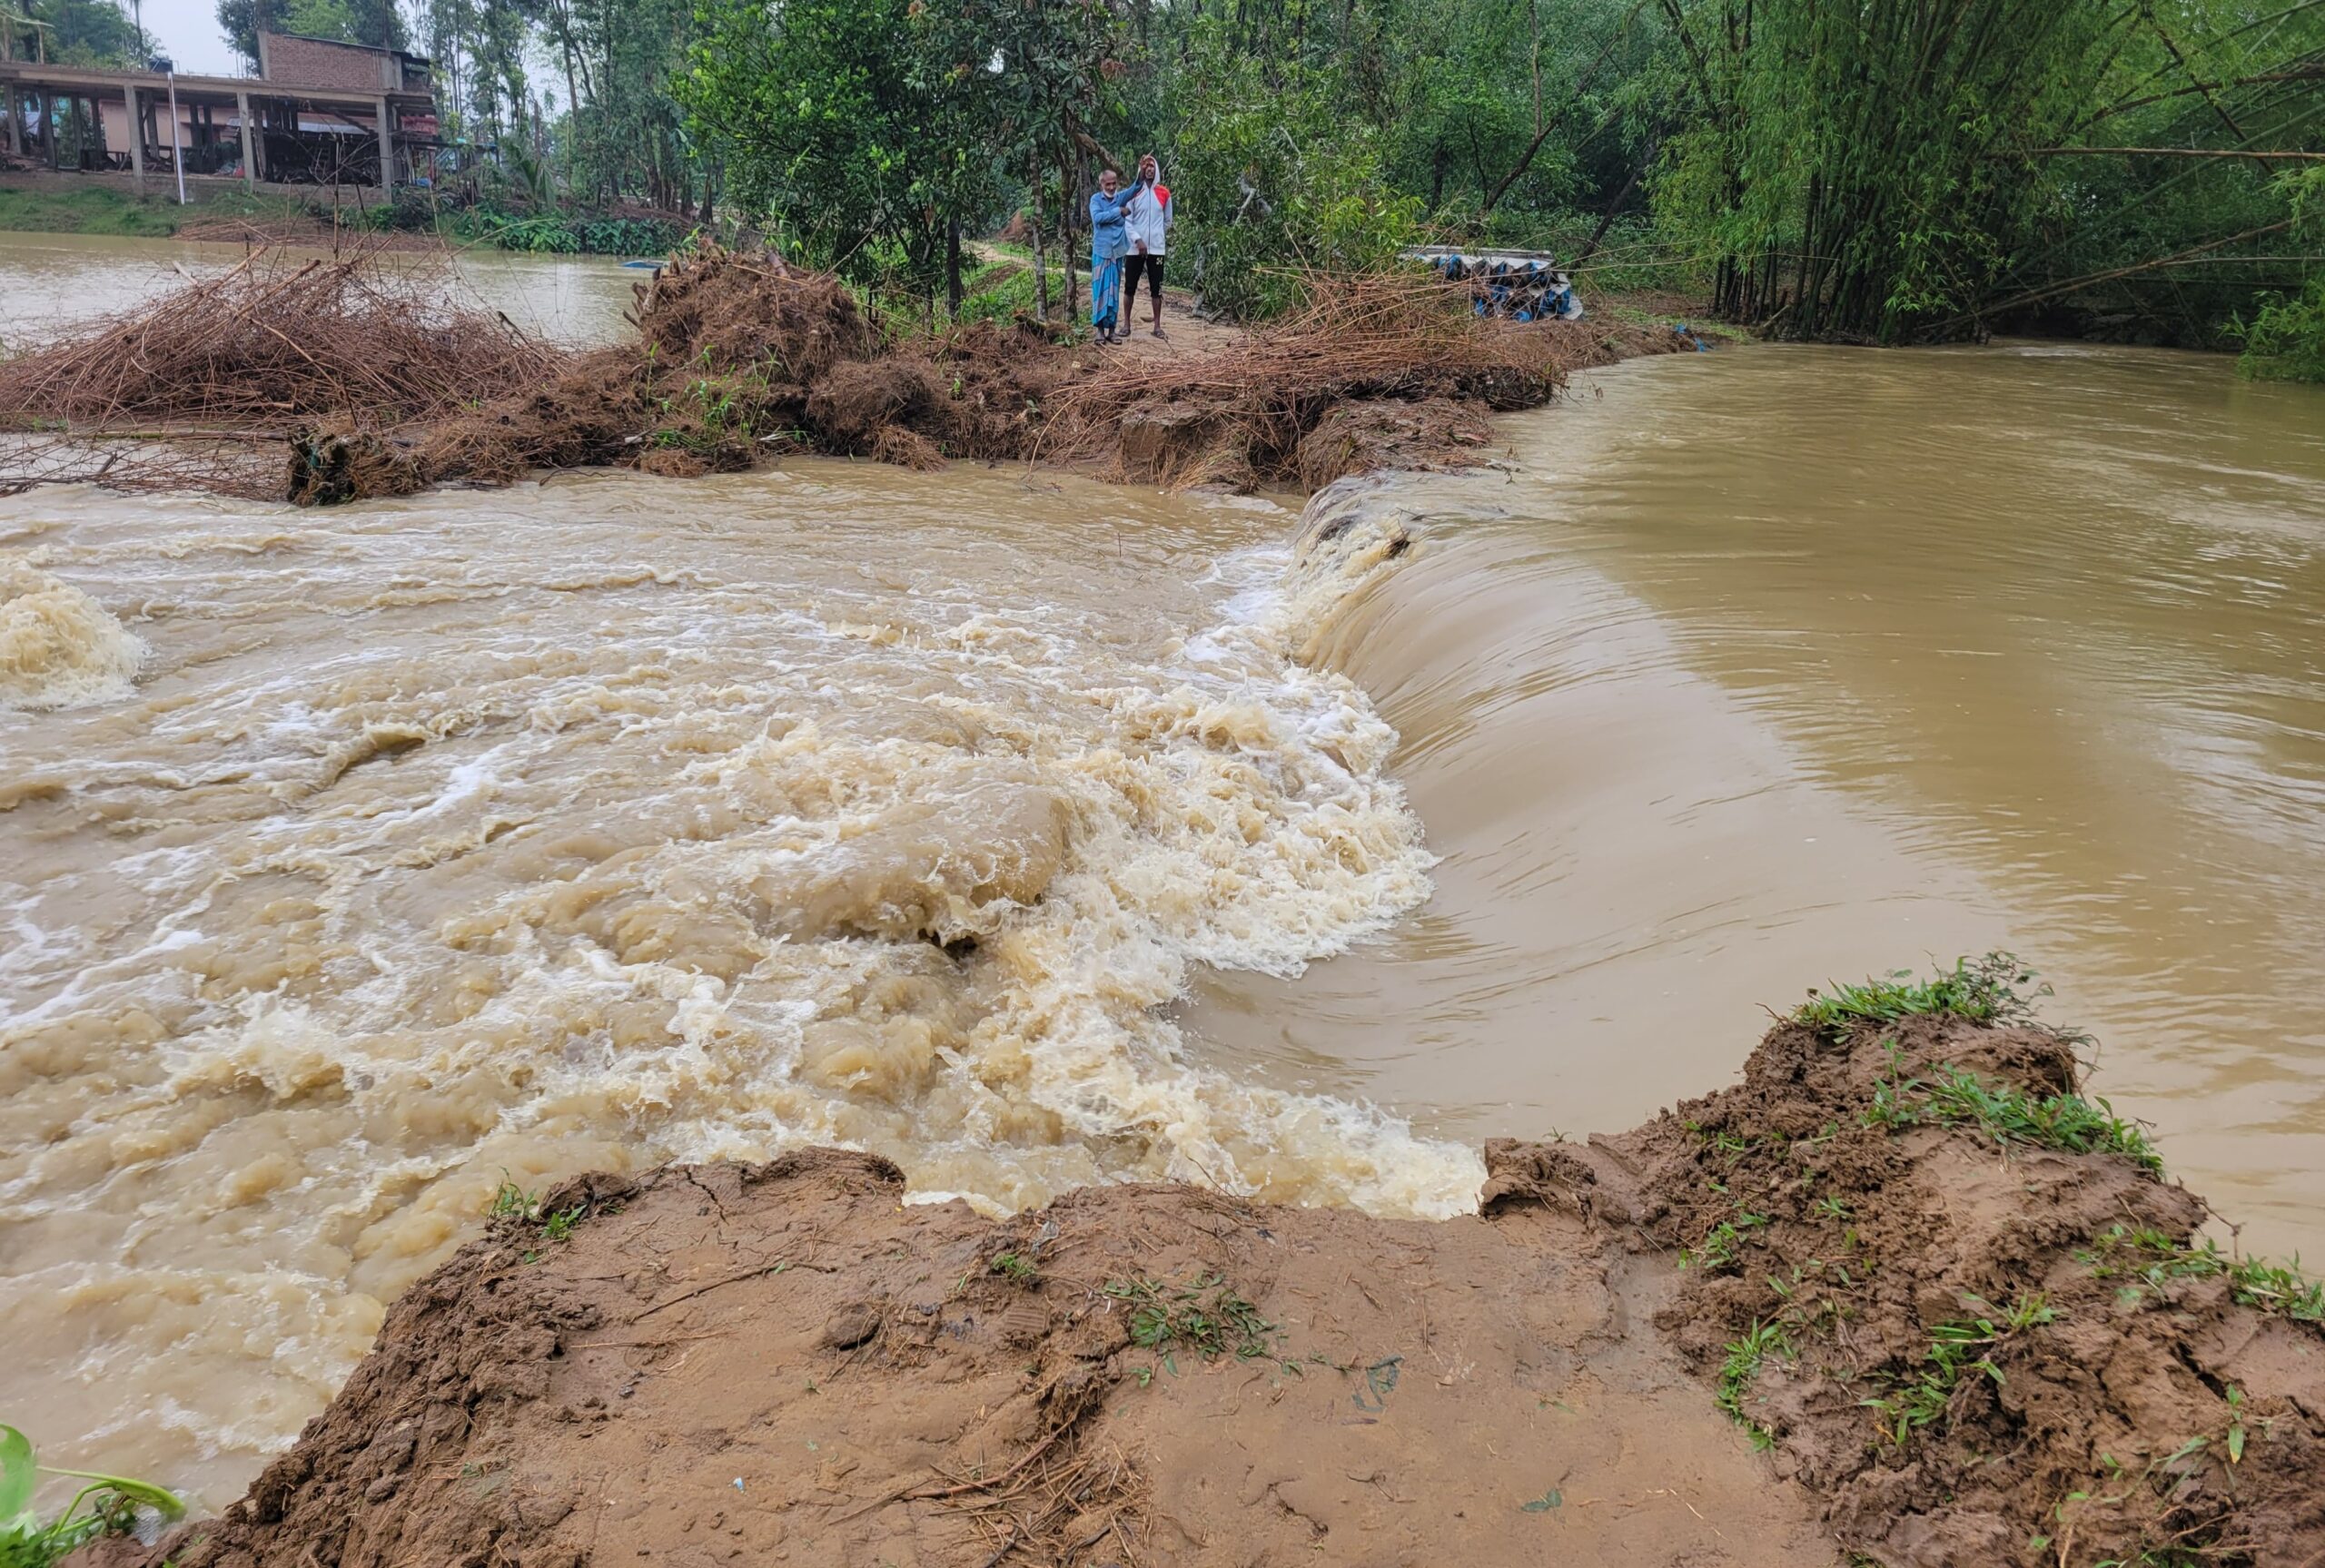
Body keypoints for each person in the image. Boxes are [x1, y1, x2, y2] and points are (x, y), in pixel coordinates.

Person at [1121, 153, 1172, 340]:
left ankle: (1157, 326)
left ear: (1156, 169)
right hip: (1135, 248)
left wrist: (1156, 237)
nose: (1149, 169)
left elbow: (1168, 221)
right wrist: (1138, 239)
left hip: (1157, 249)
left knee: (1156, 288)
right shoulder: (1133, 192)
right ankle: (1126, 325)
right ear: (1141, 169)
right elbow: (1127, 220)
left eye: (1152, 166)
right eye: (1146, 166)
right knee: (1129, 287)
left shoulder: (1164, 193)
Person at [1088, 168, 1130, 343]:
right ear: (1102, 184)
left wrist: (1143, 171)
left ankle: (1112, 331)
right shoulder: (1096, 199)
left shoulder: (1121, 198)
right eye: (1108, 184)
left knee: (1113, 292)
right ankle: (1099, 331)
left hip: (1117, 252)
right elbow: (1097, 218)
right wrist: (1118, 212)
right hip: (1101, 251)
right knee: (1100, 292)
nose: (1112, 187)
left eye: (1114, 183)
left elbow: (1135, 188)